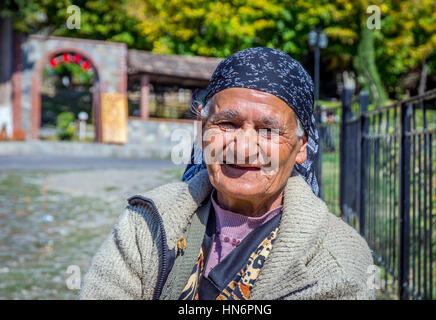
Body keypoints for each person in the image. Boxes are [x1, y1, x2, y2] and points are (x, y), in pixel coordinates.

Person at [79, 47, 375, 300]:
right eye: (227, 124)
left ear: (301, 147)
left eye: (268, 130)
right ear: (202, 130)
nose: (244, 147)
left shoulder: (336, 258)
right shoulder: (146, 223)